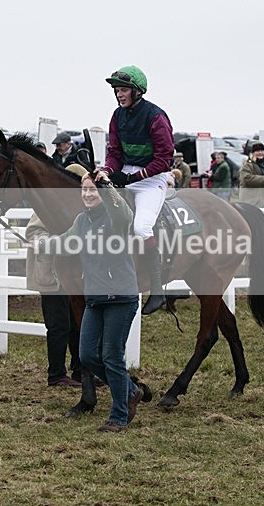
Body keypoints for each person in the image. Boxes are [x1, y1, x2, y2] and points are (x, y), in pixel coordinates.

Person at [37, 172, 147, 432]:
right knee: (87, 354)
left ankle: (119, 415)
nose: (87, 194)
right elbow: (66, 242)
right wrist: (42, 245)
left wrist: (106, 185)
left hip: (120, 299)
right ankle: (131, 391)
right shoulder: (81, 221)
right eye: (84, 190)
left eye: (92, 190)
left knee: (112, 357)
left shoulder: (116, 219)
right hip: (95, 299)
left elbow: (123, 214)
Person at [99, 65, 174, 315]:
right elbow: (115, 153)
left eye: (123, 90)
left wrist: (133, 176)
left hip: (152, 179)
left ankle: (157, 288)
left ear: (137, 92)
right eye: (117, 90)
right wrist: (108, 171)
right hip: (127, 175)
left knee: (141, 227)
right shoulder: (116, 116)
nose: (119, 95)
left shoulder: (156, 117)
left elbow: (165, 159)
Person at [25, 163, 89, 388]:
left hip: (73, 274)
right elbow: (34, 233)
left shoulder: (80, 208)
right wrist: (58, 244)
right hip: (51, 274)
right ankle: (56, 374)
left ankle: (81, 370)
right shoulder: (48, 206)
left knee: (77, 323)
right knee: (59, 324)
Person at [239, 141, 264, 208]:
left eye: (262, 150)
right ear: (253, 153)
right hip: (254, 203)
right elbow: (246, 179)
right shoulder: (248, 166)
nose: (260, 153)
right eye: (257, 151)